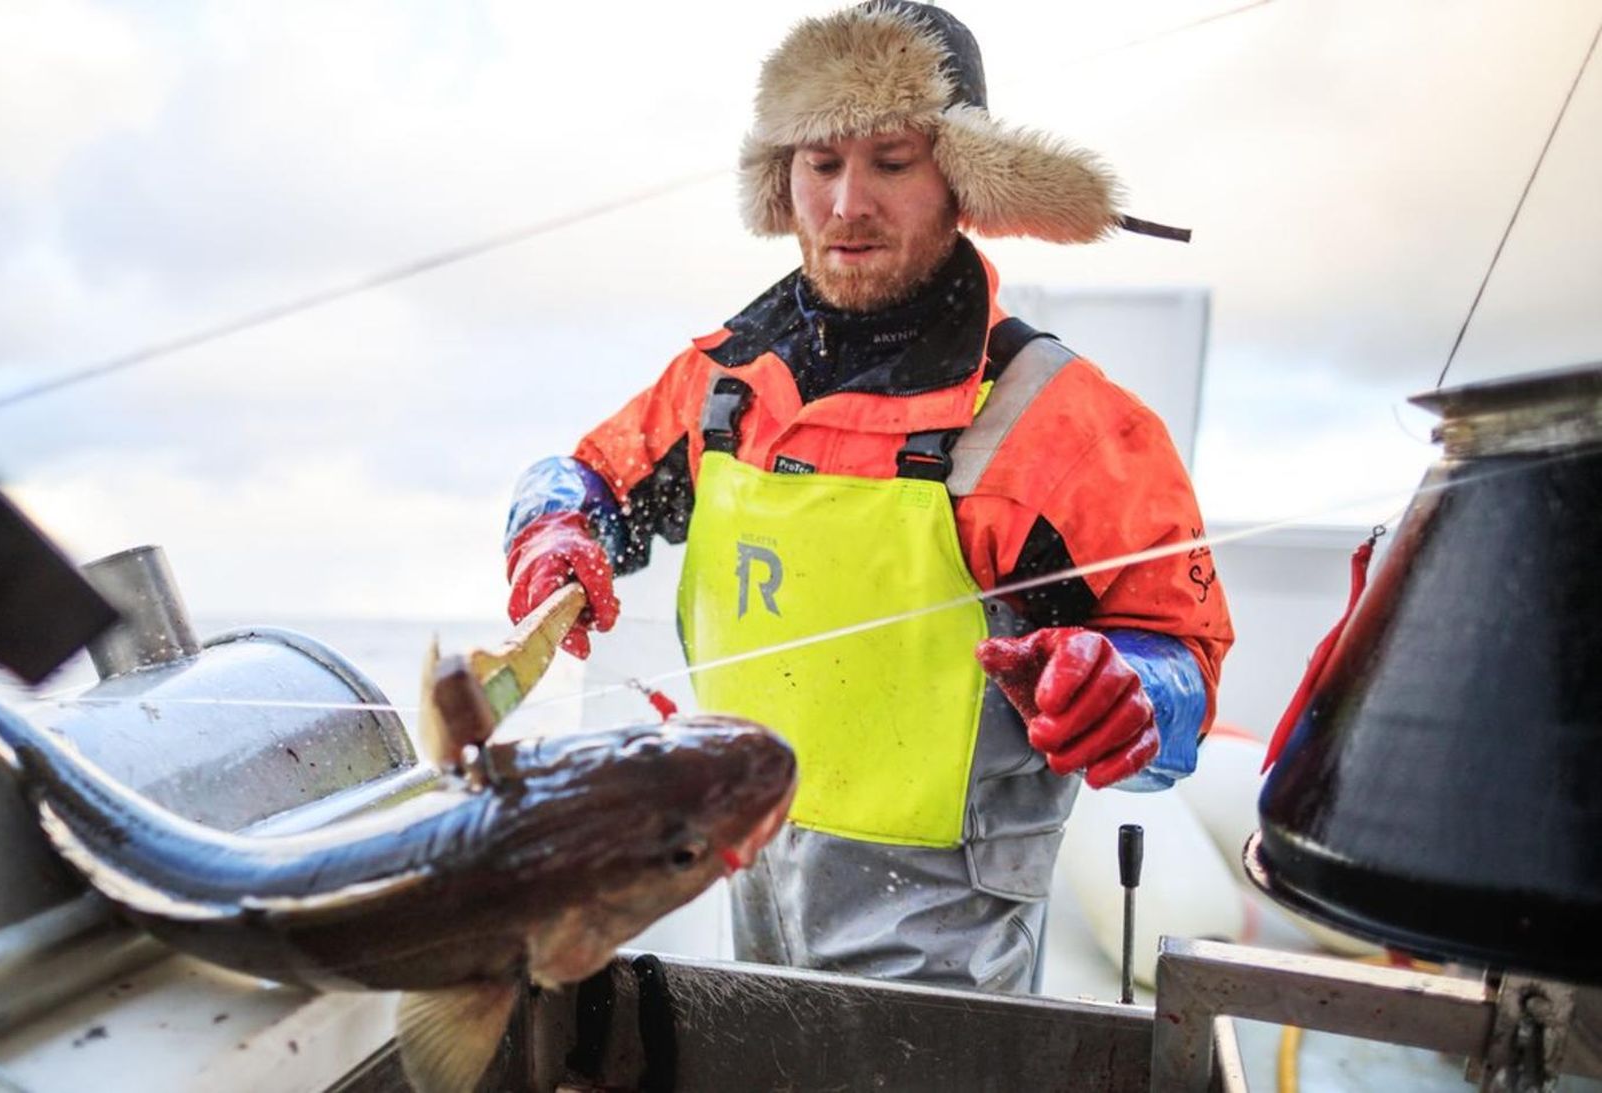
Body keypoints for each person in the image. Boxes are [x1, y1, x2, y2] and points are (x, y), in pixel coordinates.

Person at [503, 1, 1233, 994]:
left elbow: (1177, 670)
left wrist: (1128, 694)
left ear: (961, 180)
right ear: (781, 178)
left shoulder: (1066, 423)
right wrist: (551, 526)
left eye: (890, 162)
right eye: (819, 162)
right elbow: (584, 478)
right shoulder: (720, 384)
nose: (848, 205)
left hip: (950, 970)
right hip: (745, 890)